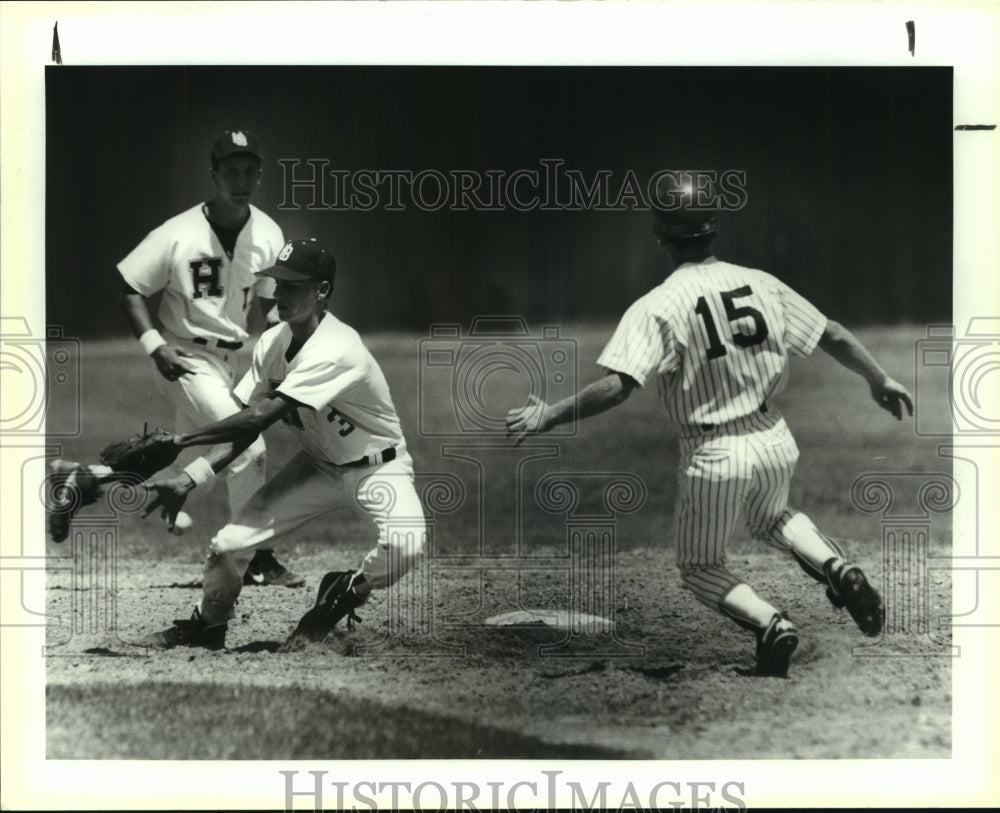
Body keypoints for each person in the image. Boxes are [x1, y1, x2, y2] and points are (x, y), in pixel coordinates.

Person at [505, 174, 914, 678]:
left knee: (700, 567)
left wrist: (550, 413)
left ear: (659, 233)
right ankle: (838, 568)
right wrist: (879, 378)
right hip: (773, 436)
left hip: (714, 451)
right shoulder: (761, 282)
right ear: (714, 227)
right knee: (773, 518)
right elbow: (830, 332)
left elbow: (618, 387)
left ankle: (771, 625)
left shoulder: (658, 304)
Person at [139, 238, 426, 649]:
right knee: (228, 546)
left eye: (292, 285)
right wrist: (190, 477)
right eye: (277, 282)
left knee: (406, 545)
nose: (279, 293)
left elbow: (260, 418)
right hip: (318, 465)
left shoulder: (337, 348)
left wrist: (182, 440)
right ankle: (208, 625)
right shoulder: (273, 343)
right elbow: (243, 426)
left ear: (322, 291)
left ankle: (347, 591)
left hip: (378, 467)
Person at [47, 130, 302, 588]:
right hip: (186, 357)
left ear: (260, 176)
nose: (240, 180)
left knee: (192, 466)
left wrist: (276, 341)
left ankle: (81, 480)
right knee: (249, 448)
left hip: (231, 362)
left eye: (249, 171)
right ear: (213, 175)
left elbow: (268, 302)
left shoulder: (267, 233)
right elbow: (130, 288)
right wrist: (154, 345)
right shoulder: (178, 232)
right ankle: (256, 556)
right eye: (231, 171)